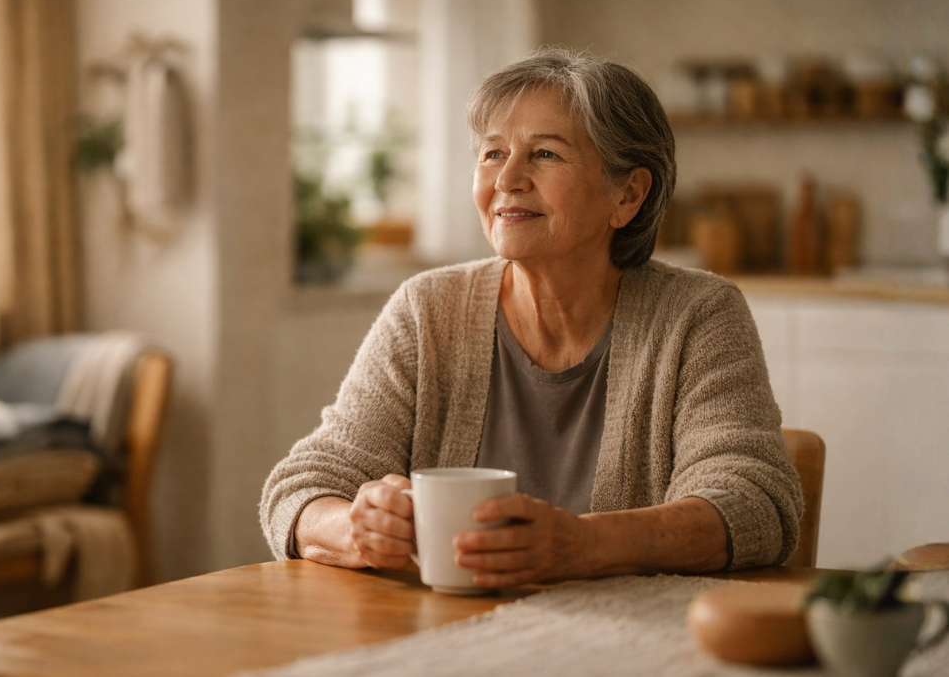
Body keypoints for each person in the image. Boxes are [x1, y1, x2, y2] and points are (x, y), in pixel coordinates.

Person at [260, 47, 802, 588]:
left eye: (545, 154)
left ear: (628, 194)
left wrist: (584, 546)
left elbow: (754, 502)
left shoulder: (698, 315)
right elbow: (302, 487)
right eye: (493, 153)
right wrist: (357, 527)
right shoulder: (427, 309)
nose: (508, 179)